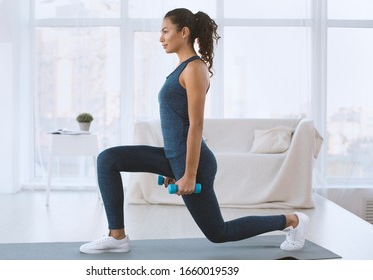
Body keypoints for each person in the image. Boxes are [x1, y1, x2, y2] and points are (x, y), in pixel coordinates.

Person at [79, 8, 309, 254]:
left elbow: (196, 125)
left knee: (219, 233)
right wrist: (169, 167)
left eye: (166, 31)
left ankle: (293, 220)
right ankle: (117, 236)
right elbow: (175, 123)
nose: (161, 38)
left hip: (195, 163)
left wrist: (188, 174)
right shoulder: (181, 69)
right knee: (108, 159)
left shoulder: (194, 69)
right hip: (173, 157)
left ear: (184, 32)